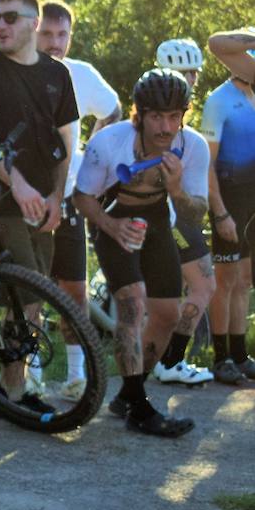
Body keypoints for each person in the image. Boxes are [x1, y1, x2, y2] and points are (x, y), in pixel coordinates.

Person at [0, 0, 78, 412]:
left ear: (33, 22)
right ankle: (14, 392)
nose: (1, 26)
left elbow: (65, 141)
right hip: (2, 202)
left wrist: (57, 198)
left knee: (33, 300)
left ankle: (12, 386)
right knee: (25, 294)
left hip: (45, 202)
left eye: (10, 17)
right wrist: (19, 186)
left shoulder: (57, 74)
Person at [74, 69, 206, 437]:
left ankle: (129, 395)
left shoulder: (192, 146)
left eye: (173, 116)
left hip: (159, 219)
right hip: (111, 216)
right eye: (156, 117)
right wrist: (111, 226)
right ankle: (141, 408)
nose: (165, 127)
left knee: (167, 313)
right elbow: (82, 197)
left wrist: (177, 189)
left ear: (184, 114)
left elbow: (197, 213)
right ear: (140, 114)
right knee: (132, 303)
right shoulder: (110, 142)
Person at [34, 0, 126, 399]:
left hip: (69, 195)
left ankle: (75, 375)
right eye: (47, 34)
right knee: (28, 289)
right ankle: (30, 376)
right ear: (33, 31)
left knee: (73, 289)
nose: (55, 43)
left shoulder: (82, 74)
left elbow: (114, 109)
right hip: (20, 197)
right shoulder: (13, 71)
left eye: (62, 34)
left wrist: (94, 155)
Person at [151, 37, 218, 384]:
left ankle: (167, 359)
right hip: (160, 221)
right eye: (181, 73)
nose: (189, 80)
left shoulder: (188, 133)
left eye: (193, 73)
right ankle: (169, 361)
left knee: (195, 287)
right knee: (202, 285)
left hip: (179, 216)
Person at [202, 28, 255, 384]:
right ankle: (221, 358)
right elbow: (207, 164)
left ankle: (240, 354)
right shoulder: (219, 100)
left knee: (244, 281)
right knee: (225, 281)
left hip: (251, 203)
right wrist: (219, 212)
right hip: (229, 201)